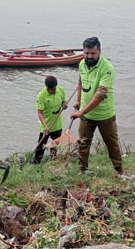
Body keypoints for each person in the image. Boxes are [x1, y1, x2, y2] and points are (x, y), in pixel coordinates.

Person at [70, 37, 123, 176]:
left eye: (93, 53)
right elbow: (81, 82)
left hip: (105, 115)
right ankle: (82, 170)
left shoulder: (107, 68)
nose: (89, 56)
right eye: (86, 53)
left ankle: (119, 170)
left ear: (99, 51)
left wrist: (81, 112)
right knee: (82, 144)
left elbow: (100, 95)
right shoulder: (82, 64)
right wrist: (79, 100)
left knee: (112, 145)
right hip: (86, 115)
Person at [33, 76, 67, 164]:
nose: (51, 91)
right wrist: (45, 126)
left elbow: (64, 102)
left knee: (54, 145)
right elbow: (40, 113)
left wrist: (64, 105)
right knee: (41, 146)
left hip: (57, 124)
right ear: (46, 87)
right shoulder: (41, 95)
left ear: (56, 85)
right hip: (46, 126)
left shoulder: (61, 90)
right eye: (49, 89)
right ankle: (36, 164)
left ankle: (53, 162)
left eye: (53, 89)